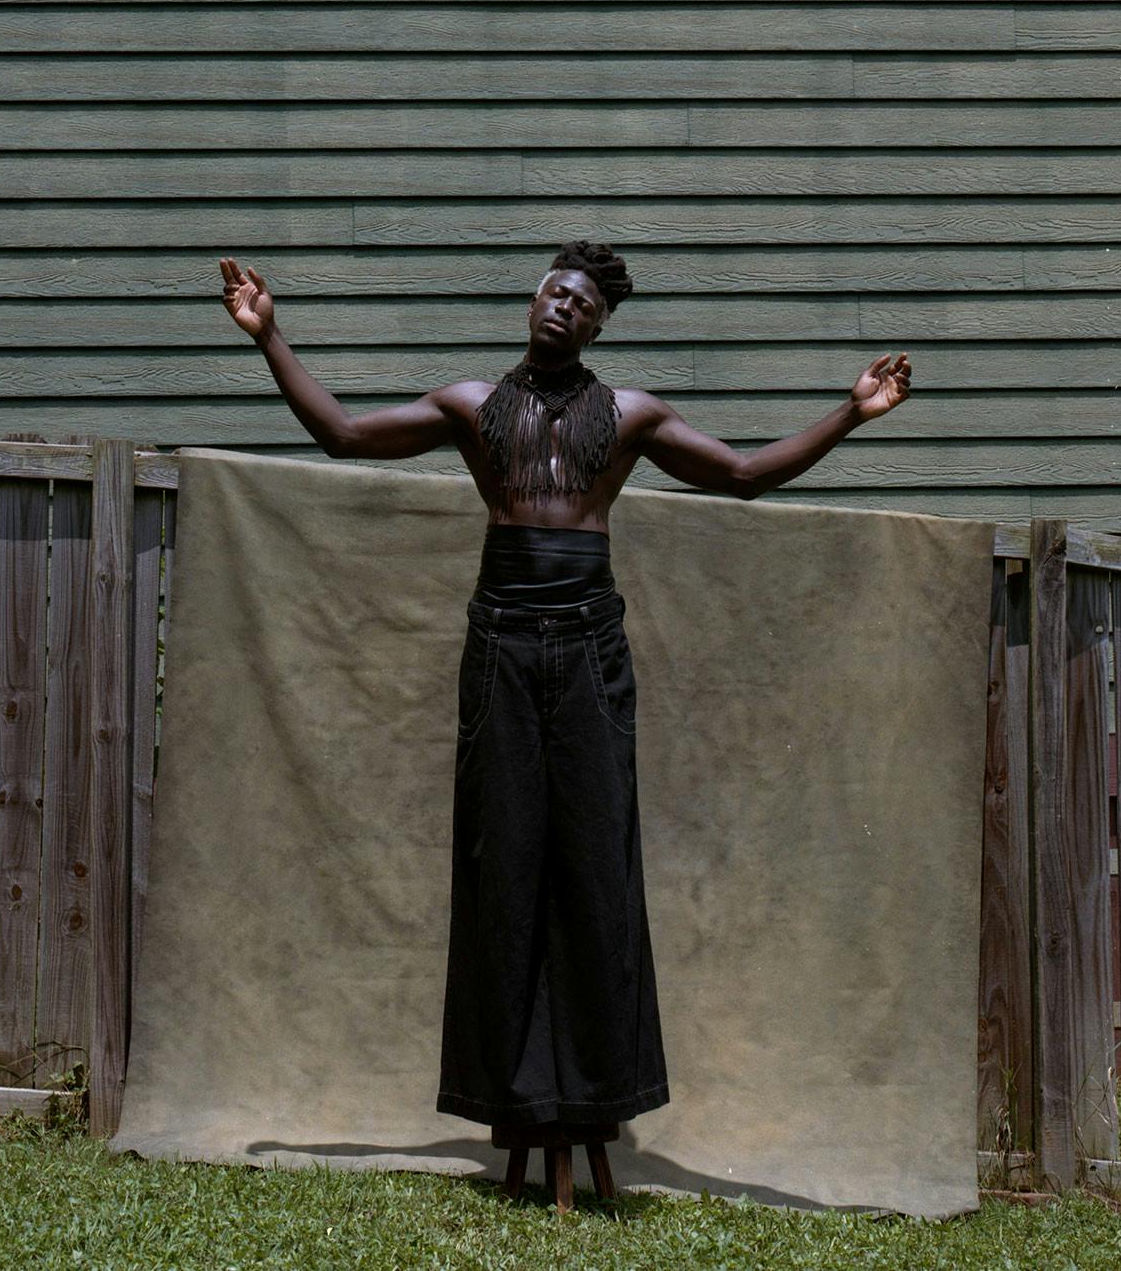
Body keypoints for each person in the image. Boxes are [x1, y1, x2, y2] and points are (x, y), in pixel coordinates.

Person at [217, 241, 911, 1132]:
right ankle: (506, 1097)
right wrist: (268, 336)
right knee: (499, 864)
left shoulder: (630, 416)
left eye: (583, 304)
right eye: (556, 292)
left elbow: (741, 477)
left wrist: (849, 415)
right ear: (533, 299)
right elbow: (344, 435)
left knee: (596, 867)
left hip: (588, 646)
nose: (564, 309)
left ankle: (598, 1101)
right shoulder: (470, 404)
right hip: (501, 640)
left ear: (599, 324)